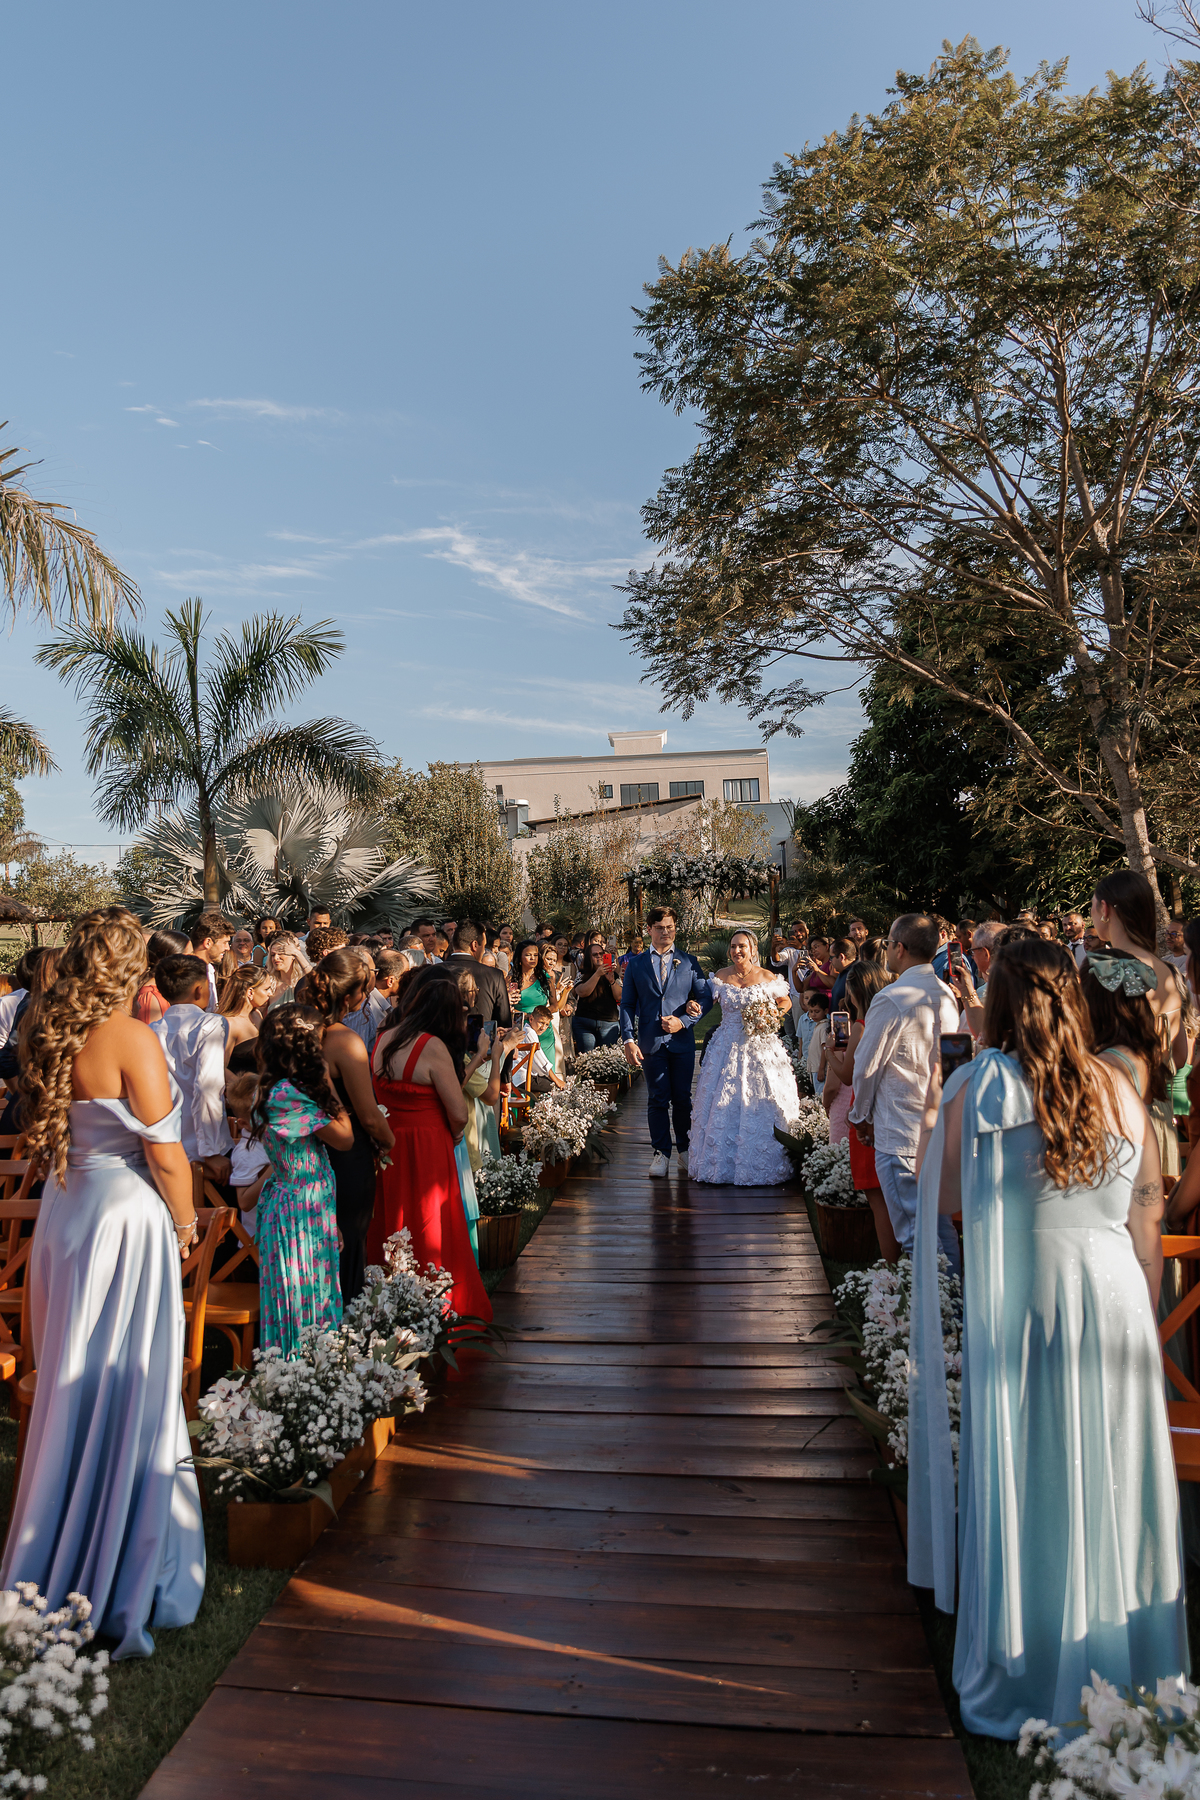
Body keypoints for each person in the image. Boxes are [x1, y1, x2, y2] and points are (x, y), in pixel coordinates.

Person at [907, 935, 1186, 1739]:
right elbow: (1143, 1215)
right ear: (1073, 999)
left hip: (1033, 1301)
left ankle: (1028, 1669)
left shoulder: (982, 1085)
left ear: (996, 1003)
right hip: (1117, 1303)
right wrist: (1141, 1310)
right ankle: (1119, 1660)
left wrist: (941, 1095)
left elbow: (947, 1192)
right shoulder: (1121, 1086)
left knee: (1037, 1473)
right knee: (1109, 1475)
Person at [4, 908, 204, 1658]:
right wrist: (185, 1225)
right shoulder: (131, 1037)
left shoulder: (45, 1028)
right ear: (134, 968)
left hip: (66, 1210)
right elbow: (167, 1156)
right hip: (123, 1218)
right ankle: (121, 1561)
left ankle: (57, 1542)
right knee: (129, 1382)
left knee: (69, 1381)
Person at [370, 969, 493, 1320]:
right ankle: (437, 1300)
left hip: (390, 1141)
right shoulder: (432, 1046)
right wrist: (454, 1133)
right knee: (431, 1218)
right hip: (428, 1144)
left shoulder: (384, 1037)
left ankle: (388, 1298)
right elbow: (458, 1111)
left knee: (394, 1214)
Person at [848, 914, 961, 1268]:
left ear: (898, 948)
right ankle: (954, 1310)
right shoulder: (945, 993)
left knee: (916, 1234)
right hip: (936, 1125)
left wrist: (860, 1117)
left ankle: (945, 1316)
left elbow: (866, 1067)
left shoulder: (891, 997)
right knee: (938, 1229)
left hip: (901, 1130)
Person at [253, 1003, 353, 1356]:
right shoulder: (288, 1094)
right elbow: (344, 1135)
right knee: (301, 1302)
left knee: (316, 1297)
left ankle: (315, 1375)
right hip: (297, 1214)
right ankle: (297, 1375)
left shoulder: (289, 1088)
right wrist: (324, 1078)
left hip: (311, 1207)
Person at [306, 950, 395, 1303]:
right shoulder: (344, 1041)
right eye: (365, 992)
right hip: (346, 1154)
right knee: (347, 1243)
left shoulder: (291, 1027)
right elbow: (369, 1114)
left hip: (301, 1152)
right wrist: (388, 1141)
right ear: (349, 997)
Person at [688, 929, 793, 1185]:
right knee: (723, 1099)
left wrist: (771, 1015)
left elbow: (786, 1001)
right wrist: (695, 1007)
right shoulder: (721, 977)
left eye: (742, 946)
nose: (737, 951)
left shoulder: (767, 977)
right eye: (733, 946)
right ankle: (719, 1163)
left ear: (753, 949)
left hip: (760, 1047)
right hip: (727, 1047)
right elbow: (706, 1003)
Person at [619, 906, 714, 1179]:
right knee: (658, 1098)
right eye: (660, 928)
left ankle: (684, 1151)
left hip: (682, 1042)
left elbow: (705, 998)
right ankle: (661, 1153)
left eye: (670, 927)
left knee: (683, 1098)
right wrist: (628, 1039)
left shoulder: (689, 961)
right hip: (651, 1042)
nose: (666, 932)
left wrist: (684, 1020)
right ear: (648, 930)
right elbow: (627, 1004)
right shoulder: (635, 964)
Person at [824, 962, 899, 1259]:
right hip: (888, 1110)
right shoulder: (888, 1021)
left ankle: (891, 1263)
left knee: (877, 1197)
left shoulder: (860, 1026)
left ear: (854, 992)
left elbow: (846, 1075)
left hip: (865, 1111)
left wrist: (830, 1050)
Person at [1092, 871, 1188, 1072]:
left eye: (1092, 907)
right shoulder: (1166, 969)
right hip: (1156, 1095)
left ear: (1104, 909)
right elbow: (1179, 1057)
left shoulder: (1106, 965)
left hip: (1117, 1093)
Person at [151, 954, 233, 1184]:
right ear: (199, 990)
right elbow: (208, 1086)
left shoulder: (152, 1030)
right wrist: (212, 1151)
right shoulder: (210, 1024)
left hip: (164, 1141)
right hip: (203, 1147)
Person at [440, 922, 513, 1027]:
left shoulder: (430, 972)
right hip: (482, 1040)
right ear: (474, 945)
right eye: (483, 946)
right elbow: (503, 1023)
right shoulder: (494, 976)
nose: (484, 950)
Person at [225, 1070, 271, 1236]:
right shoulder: (246, 1151)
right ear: (244, 1123)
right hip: (261, 1238)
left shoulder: (275, 1141)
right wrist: (275, 1168)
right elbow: (244, 1201)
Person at [219, 963, 278, 1072]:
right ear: (250, 992)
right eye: (266, 989)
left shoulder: (256, 1015)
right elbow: (220, 1067)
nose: (270, 993)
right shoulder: (229, 1023)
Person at [572, 932, 624, 1052]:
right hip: (585, 1022)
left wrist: (611, 981)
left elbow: (619, 996)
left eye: (601, 953)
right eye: (595, 955)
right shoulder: (582, 973)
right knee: (587, 1059)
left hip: (609, 1022)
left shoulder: (613, 973)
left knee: (608, 1059)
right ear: (588, 957)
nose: (599, 956)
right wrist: (597, 974)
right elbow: (582, 992)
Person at [133, 930, 189, 1026]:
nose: (194, 959)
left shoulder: (164, 992)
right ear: (174, 960)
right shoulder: (151, 997)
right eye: (189, 956)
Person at [188, 910, 234, 1009]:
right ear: (208, 942)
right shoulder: (186, 973)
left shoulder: (209, 969)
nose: (227, 948)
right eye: (224, 943)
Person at [265, 932, 313, 1008]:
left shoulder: (302, 982)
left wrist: (297, 953)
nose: (276, 958)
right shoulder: (269, 984)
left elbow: (315, 979)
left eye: (281, 953)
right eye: (273, 955)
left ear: (293, 955)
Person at [806, 990, 830, 1097]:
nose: (813, 1014)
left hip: (820, 1068)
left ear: (825, 1011)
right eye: (811, 1011)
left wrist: (821, 1069)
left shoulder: (824, 1027)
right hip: (814, 1067)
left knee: (821, 1095)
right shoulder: (818, 1025)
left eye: (816, 1011)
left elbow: (825, 1048)